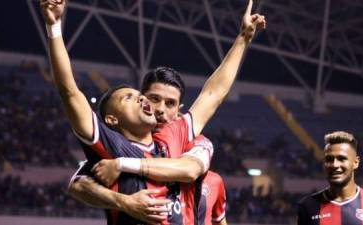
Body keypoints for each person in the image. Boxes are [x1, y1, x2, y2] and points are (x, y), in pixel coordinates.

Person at [39, 0, 265, 224]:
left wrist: (243, 38)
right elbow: (69, 92)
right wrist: (54, 27)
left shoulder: (175, 137)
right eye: (135, 97)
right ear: (111, 119)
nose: (149, 103)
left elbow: (212, 95)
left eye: (169, 103)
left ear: (179, 109)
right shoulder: (111, 146)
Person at [91, 67, 228, 225]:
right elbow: (78, 184)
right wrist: (124, 201)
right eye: (154, 99)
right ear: (141, 99)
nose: (160, 110)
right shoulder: (117, 146)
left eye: (170, 103)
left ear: (178, 112)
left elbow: (192, 169)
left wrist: (122, 164)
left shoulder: (198, 144)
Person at [297, 131, 363, 225]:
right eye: (329, 159)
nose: (335, 165)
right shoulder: (307, 206)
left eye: (341, 159)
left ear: (355, 162)